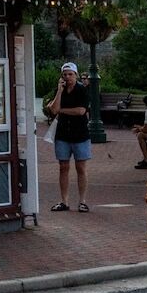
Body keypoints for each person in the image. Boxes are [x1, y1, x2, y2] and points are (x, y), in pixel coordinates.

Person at [45, 62, 91, 212]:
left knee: (80, 167)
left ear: (76, 75)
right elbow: (52, 110)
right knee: (63, 167)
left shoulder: (82, 90)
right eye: (65, 74)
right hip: (63, 134)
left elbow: (80, 111)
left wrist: (62, 110)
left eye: (70, 74)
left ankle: (82, 201)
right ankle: (64, 200)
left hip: (80, 134)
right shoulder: (61, 90)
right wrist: (59, 91)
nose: (67, 77)